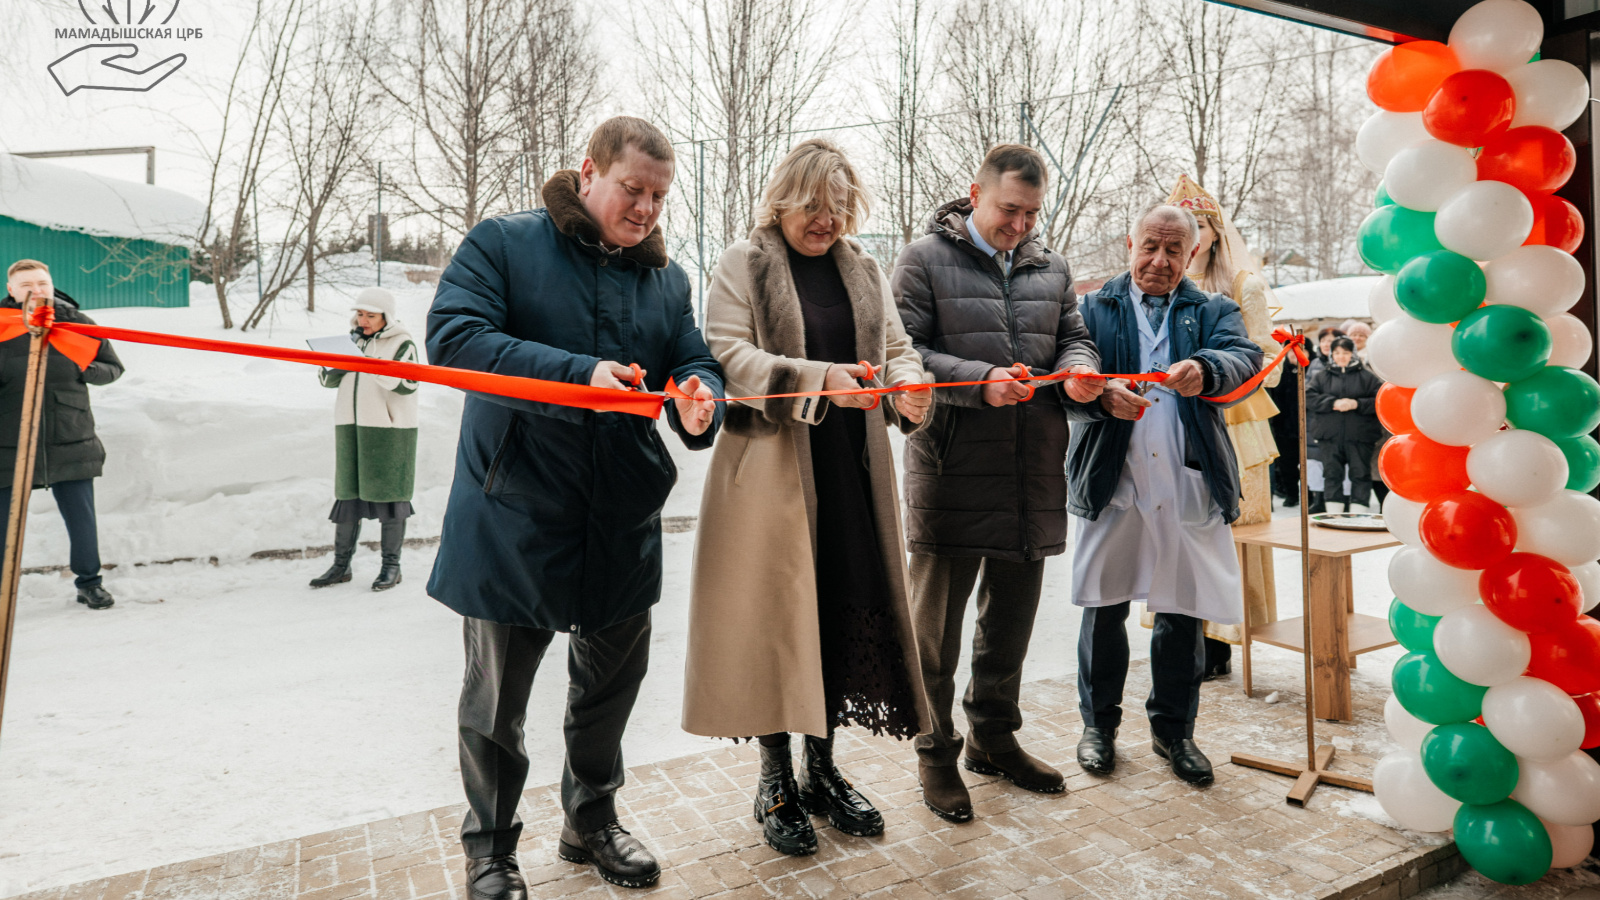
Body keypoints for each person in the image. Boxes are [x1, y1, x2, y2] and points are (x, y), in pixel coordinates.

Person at [426, 117, 723, 897]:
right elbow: (453, 339)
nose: (646, 209)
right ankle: (490, 848)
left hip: (620, 518)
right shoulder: (503, 244)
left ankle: (591, 822)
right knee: (496, 703)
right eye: (632, 189)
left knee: (608, 692)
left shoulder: (665, 280)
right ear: (588, 173)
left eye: (660, 196)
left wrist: (702, 397)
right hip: (513, 513)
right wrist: (577, 374)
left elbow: (692, 358)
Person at [684, 139, 935, 856]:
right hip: (769, 476)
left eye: (839, 208)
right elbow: (729, 355)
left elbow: (897, 350)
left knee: (835, 610)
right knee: (775, 620)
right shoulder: (745, 262)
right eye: (814, 206)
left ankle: (821, 771)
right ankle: (775, 782)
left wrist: (910, 387)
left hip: (850, 472)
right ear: (784, 200)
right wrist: (818, 378)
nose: (826, 221)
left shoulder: (864, 269)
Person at [892, 143, 1104, 822]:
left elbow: (1074, 337)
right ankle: (935, 752)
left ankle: (993, 736)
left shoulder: (1052, 266)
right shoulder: (922, 260)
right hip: (950, 471)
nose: (1020, 224)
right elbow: (903, 355)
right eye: (1010, 209)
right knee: (934, 634)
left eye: (1032, 214)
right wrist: (980, 381)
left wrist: (1078, 370)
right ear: (976, 194)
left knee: (1009, 621)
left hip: (1030, 470)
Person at [1068, 204, 1263, 787]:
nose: (1159, 260)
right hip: (1112, 475)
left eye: (1173, 250)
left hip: (1186, 477)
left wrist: (1207, 369)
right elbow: (1067, 374)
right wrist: (1099, 394)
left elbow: (1244, 357)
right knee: (1103, 604)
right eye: (1150, 246)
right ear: (1130, 244)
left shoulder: (1213, 309)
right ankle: (1098, 726)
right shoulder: (1091, 309)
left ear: (1192, 253)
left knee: (1182, 607)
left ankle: (1175, 731)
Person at [1159, 175, 1281, 682]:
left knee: (1229, 528)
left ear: (1214, 231)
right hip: (1171, 415)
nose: (1192, 235)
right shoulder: (1161, 284)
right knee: (1175, 522)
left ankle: (1221, 638)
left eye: (1200, 225)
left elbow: (1268, 359)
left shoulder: (1242, 285)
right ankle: (1177, 632)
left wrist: (1219, 375)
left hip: (1233, 420)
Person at [0, 260, 124, 610]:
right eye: (26, 285)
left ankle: (90, 583)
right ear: (11, 290)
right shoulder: (2, 325)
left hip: (70, 437)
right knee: (4, 527)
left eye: (42, 283)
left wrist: (86, 368)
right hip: (9, 444)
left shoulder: (76, 323)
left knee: (82, 520)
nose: (36, 290)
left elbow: (113, 368)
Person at [310, 287, 419, 592]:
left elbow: (408, 383)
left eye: (371, 315)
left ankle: (391, 567)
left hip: (388, 431)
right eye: (360, 314)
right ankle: (341, 566)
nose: (363, 320)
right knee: (348, 495)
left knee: (391, 496)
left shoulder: (402, 342)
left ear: (387, 317)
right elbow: (327, 380)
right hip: (350, 427)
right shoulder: (352, 341)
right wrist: (337, 359)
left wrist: (368, 362)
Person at [1307, 336, 1383, 512]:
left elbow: (1380, 400)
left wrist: (1357, 404)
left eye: (1346, 353)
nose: (1341, 357)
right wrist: (1332, 402)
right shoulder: (1321, 377)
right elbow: (1308, 398)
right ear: (1332, 355)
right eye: (1337, 353)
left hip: (1360, 436)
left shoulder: (1367, 377)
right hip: (1329, 436)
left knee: (1360, 474)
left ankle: (1358, 512)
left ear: (1353, 354)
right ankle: (1334, 512)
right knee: (1332, 474)